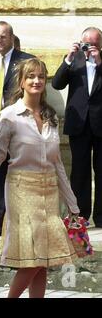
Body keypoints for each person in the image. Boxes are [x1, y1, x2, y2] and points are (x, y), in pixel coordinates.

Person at [0, 58, 79, 298]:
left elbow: (58, 163)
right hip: (21, 189)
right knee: (32, 259)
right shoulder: (9, 116)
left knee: (43, 259)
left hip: (50, 191)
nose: (36, 81)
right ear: (21, 81)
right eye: (31, 76)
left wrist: (72, 204)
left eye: (41, 76)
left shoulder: (51, 116)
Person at [0, 21, 34, 236]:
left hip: (20, 126)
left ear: (11, 38)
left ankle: (22, 223)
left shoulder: (26, 61)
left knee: (20, 176)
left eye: (3, 36)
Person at [52, 27, 102, 227]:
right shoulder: (74, 60)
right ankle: (80, 215)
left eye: (94, 44)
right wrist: (69, 58)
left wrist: (99, 63)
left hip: (100, 123)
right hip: (79, 123)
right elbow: (56, 84)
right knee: (79, 171)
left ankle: (101, 217)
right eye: (86, 43)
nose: (89, 48)